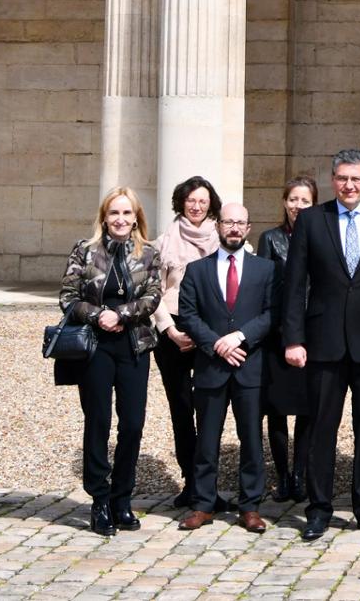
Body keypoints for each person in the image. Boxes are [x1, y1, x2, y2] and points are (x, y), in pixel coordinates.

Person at [282, 149, 360, 541]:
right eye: (342, 178)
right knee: (322, 428)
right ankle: (319, 508)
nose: (349, 185)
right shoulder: (311, 220)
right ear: (333, 179)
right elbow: (294, 285)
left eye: (356, 178)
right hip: (322, 343)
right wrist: (293, 338)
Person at [58, 186, 163, 537]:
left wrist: (120, 314)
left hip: (133, 344)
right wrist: (97, 315)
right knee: (98, 421)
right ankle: (99, 499)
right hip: (95, 346)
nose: (120, 219)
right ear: (104, 217)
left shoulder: (149, 253)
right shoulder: (85, 251)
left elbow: (153, 295)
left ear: (136, 218)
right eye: (114, 213)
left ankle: (122, 497)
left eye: (127, 213)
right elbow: (68, 297)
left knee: (132, 424)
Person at [176, 203, 274, 534]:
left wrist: (240, 337)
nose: (234, 228)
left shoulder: (265, 270)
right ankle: (203, 504)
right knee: (207, 441)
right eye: (229, 221)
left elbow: (271, 313)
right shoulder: (197, 270)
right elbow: (188, 314)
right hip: (211, 367)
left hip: (249, 366)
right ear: (218, 226)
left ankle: (250, 506)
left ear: (248, 229)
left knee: (251, 440)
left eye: (240, 223)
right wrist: (217, 343)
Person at [152, 176, 221, 510]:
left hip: (209, 331)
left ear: (211, 205)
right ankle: (190, 482)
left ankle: (208, 484)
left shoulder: (222, 240)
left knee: (210, 411)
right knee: (181, 409)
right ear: (181, 203)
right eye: (191, 201)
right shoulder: (163, 242)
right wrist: (170, 330)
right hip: (173, 332)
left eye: (203, 202)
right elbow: (154, 294)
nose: (197, 207)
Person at [255, 176, 317, 502]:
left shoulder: (322, 235)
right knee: (276, 410)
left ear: (313, 204)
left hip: (312, 335)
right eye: (293, 199)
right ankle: (283, 476)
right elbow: (264, 286)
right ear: (284, 202)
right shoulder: (270, 238)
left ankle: (302, 474)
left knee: (307, 409)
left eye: (304, 200)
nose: (297, 206)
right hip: (277, 336)